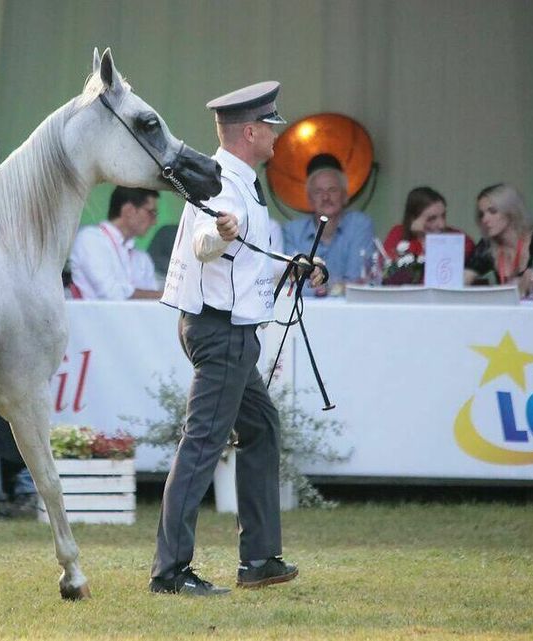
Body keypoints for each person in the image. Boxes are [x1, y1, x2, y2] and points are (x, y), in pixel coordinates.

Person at [156, 81, 325, 596]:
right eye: (270, 126)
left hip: (227, 329)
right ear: (249, 131)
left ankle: (259, 559)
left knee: (261, 429)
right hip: (221, 330)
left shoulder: (238, 177)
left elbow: (244, 262)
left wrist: (292, 269)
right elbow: (203, 241)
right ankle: (171, 572)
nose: (277, 133)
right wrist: (219, 234)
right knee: (202, 445)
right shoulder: (222, 182)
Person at [282, 156, 375, 294]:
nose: (325, 197)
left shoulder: (360, 225)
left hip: (349, 310)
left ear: (345, 196)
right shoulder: (293, 230)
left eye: (332, 190)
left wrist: (318, 288)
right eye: (318, 192)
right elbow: (291, 281)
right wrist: (333, 288)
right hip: (305, 310)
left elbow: (357, 280)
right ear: (309, 199)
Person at [69, 187, 161, 299]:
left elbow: (154, 302)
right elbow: (110, 294)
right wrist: (160, 295)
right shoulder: (90, 239)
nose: (155, 221)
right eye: (152, 212)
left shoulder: (142, 257)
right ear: (129, 210)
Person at [465, 183, 533, 288]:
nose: (485, 220)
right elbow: (462, 278)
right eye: (482, 214)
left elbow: (532, 282)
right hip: (507, 303)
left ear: (511, 211)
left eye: (492, 211)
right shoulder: (488, 245)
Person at [383, 186, 475, 259]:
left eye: (443, 216)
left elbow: (469, 248)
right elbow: (387, 269)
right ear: (413, 219)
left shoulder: (455, 237)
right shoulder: (398, 232)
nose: (442, 224)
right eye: (431, 219)